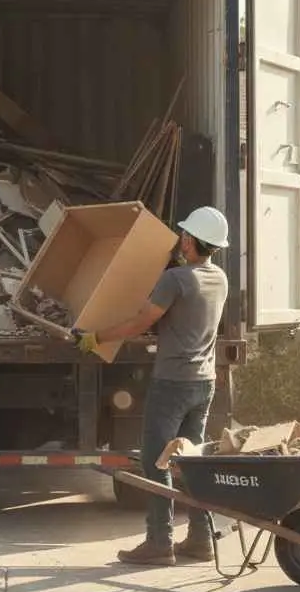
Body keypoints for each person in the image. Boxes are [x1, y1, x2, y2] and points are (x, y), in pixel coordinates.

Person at [74, 205, 230, 566]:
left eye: (184, 236)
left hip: (173, 382)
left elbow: (140, 322)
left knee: (155, 461)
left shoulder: (175, 279)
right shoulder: (219, 278)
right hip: (203, 382)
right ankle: (201, 540)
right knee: (193, 463)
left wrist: (95, 338)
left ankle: (160, 542)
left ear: (190, 240)